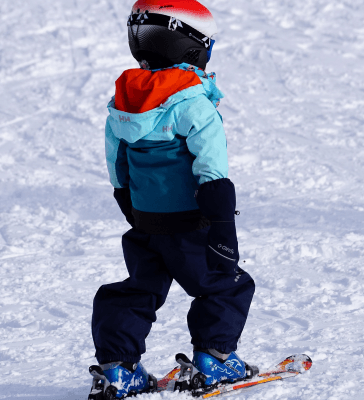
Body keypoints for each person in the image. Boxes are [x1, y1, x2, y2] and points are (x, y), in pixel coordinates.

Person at [88, 1, 255, 398]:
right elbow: (212, 171)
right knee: (226, 286)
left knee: (137, 289)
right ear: (193, 48)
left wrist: (131, 206)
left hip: (146, 221)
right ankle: (214, 358)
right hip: (191, 223)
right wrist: (221, 230)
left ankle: (118, 367)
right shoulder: (193, 103)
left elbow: (117, 162)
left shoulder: (124, 103)